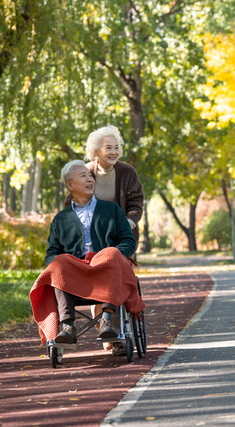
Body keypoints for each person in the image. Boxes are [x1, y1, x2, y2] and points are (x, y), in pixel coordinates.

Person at [45, 160, 137, 345]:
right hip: (75, 272)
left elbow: (128, 240)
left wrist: (116, 255)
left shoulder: (111, 209)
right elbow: (51, 252)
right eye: (83, 176)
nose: (90, 179)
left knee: (111, 253)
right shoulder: (60, 219)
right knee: (59, 261)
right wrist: (58, 262)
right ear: (70, 184)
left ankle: (107, 320)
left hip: (105, 268)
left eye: (90, 176)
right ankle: (68, 326)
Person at [65, 125, 144, 247]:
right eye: (108, 148)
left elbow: (136, 203)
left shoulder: (128, 172)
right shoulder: (86, 171)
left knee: (116, 263)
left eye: (116, 148)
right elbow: (70, 204)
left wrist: (128, 223)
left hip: (122, 237)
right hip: (90, 238)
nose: (114, 152)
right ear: (96, 151)